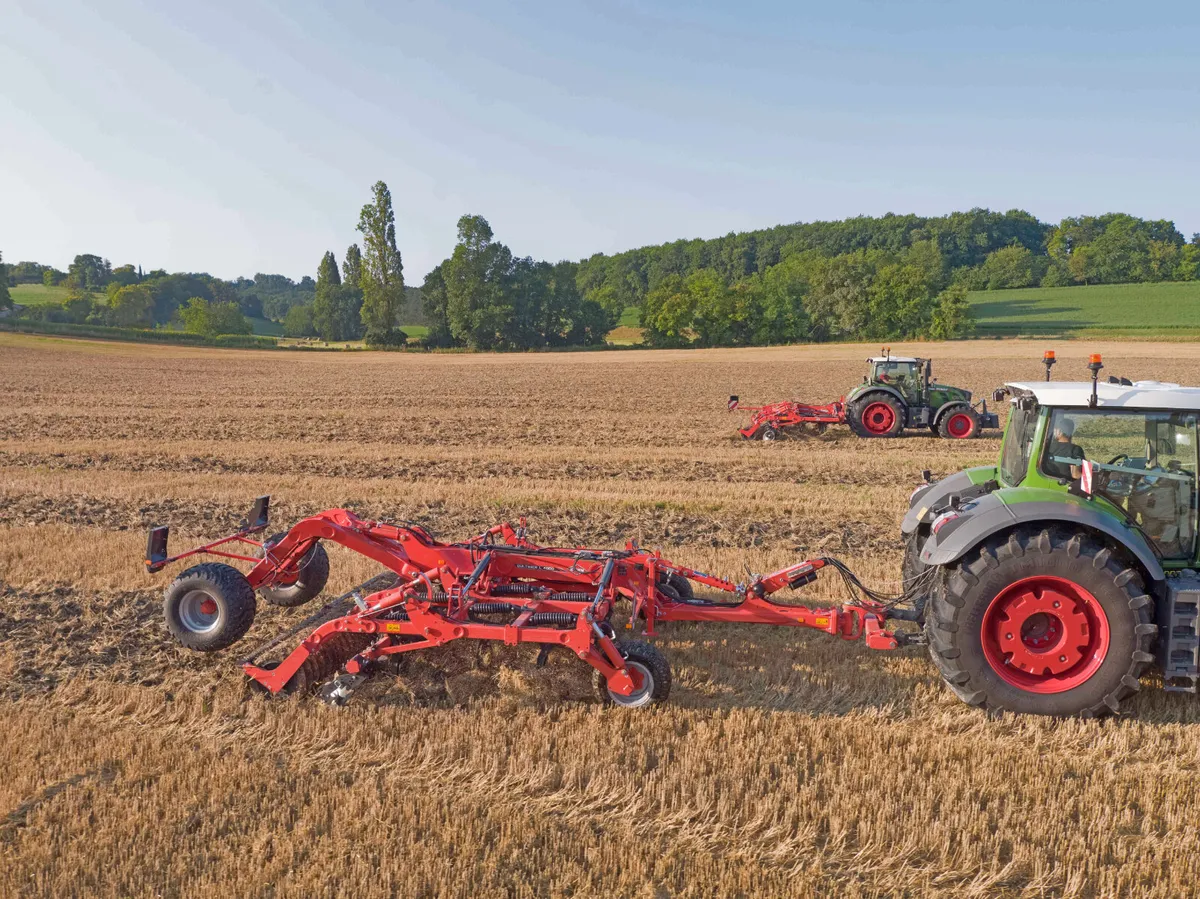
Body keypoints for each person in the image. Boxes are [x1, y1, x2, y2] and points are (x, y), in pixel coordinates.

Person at [1044, 416, 1085, 480]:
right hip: (1065, 485)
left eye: (1055, 430)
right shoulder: (1075, 449)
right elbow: (1075, 475)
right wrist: (1092, 478)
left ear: (1059, 431)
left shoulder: (1048, 447)